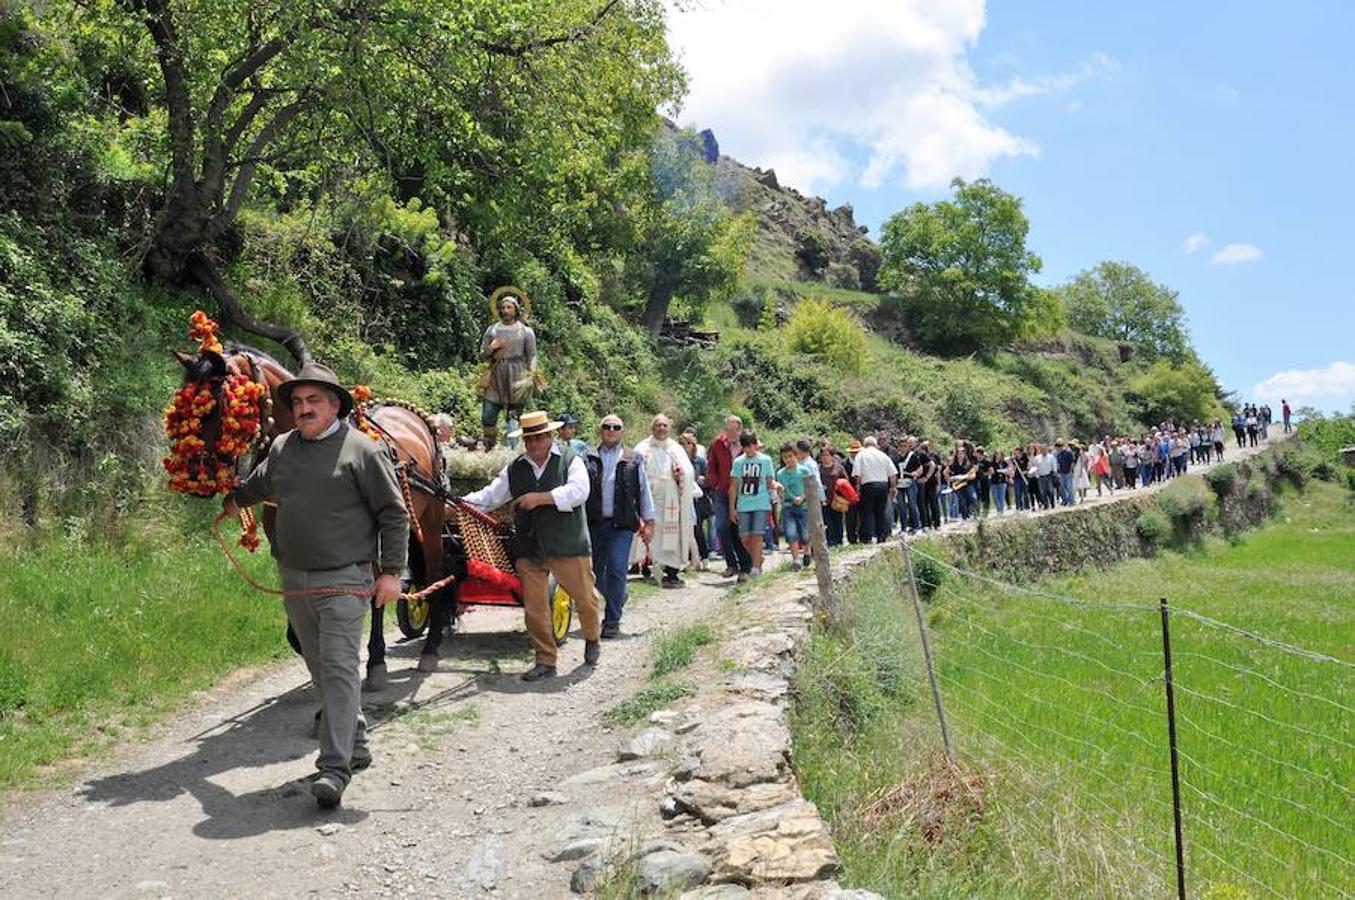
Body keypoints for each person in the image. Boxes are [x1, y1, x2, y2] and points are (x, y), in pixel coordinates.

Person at [220, 362, 409, 809]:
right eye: (298, 402)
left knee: (341, 668)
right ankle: (356, 743)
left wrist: (391, 573)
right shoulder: (284, 447)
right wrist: (232, 500)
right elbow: (259, 485)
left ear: (335, 405)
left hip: (345, 579)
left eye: (314, 401)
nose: (304, 409)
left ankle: (334, 769)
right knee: (319, 666)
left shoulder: (363, 451)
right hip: (294, 579)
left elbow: (394, 514)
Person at [461, 410, 602, 682]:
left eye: (539, 437)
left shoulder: (571, 460)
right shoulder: (515, 468)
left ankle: (592, 637)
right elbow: (491, 496)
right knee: (535, 607)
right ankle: (545, 660)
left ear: (549, 436)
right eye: (529, 438)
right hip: (529, 545)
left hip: (567, 543)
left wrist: (541, 498)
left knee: (585, 598)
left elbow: (579, 492)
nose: (534, 443)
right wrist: (461, 502)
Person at [584, 415, 654, 639]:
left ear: (622, 431)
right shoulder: (587, 458)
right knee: (594, 572)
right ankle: (618, 596)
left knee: (616, 568)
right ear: (600, 430)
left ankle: (612, 619)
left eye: (616, 427)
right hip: (594, 523)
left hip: (621, 524)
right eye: (607, 426)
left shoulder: (634, 459)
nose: (611, 430)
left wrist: (648, 522)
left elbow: (644, 491)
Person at [633, 415, 696, 589]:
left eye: (665, 425)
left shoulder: (675, 448)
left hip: (670, 498)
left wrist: (680, 475)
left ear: (669, 428)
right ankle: (645, 566)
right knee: (647, 533)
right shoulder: (642, 448)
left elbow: (688, 472)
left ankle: (672, 572)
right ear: (652, 428)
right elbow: (633, 471)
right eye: (658, 425)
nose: (661, 428)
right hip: (649, 496)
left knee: (671, 535)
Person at [479, 290, 538, 450]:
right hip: (496, 373)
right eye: (503, 307)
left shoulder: (526, 332)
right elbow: (482, 355)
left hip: (517, 374)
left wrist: (531, 374)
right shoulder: (492, 330)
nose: (506, 310)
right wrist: (492, 347)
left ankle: (513, 449)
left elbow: (532, 355)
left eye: (509, 307)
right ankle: (488, 447)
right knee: (488, 413)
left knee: (513, 416)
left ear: (516, 309)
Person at [707, 415, 752, 581]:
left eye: (733, 430)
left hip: (743, 493)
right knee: (721, 527)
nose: (730, 433)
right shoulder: (718, 443)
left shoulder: (748, 442)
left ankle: (745, 566)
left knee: (739, 530)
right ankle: (731, 564)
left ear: (739, 429)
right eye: (727, 429)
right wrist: (715, 483)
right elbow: (711, 465)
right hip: (722, 491)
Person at [729, 430, 774, 576]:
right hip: (744, 504)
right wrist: (732, 508)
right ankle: (758, 558)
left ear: (755, 445)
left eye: (750, 446)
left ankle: (755, 568)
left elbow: (769, 481)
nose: (748, 449)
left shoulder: (766, 460)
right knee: (745, 537)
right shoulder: (738, 462)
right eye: (745, 447)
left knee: (757, 535)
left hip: (760, 502)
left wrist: (776, 486)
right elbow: (734, 486)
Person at [775, 442, 811, 569]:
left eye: (790, 456)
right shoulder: (780, 473)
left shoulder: (804, 470)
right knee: (791, 533)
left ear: (796, 456)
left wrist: (802, 497)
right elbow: (783, 490)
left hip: (803, 505)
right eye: (785, 457)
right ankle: (796, 559)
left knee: (805, 534)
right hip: (788, 506)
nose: (788, 459)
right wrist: (792, 498)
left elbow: (809, 487)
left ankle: (807, 551)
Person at [853, 436, 896, 542]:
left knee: (867, 512)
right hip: (882, 485)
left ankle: (867, 537)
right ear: (875, 444)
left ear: (864, 444)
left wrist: (858, 487)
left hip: (868, 485)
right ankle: (881, 536)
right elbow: (893, 473)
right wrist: (893, 487)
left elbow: (857, 474)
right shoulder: (883, 455)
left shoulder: (861, 455)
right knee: (880, 511)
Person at [818, 444, 851, 546]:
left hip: (837, 499)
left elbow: (846, 480)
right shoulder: (818, 469)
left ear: (832, 456)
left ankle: (839, 541)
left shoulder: (838, 467)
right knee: (827, 522)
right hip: (824, 500)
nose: (825, 457)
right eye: (823, 455)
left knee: (838, 520)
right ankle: (831, 542)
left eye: (827, 455)